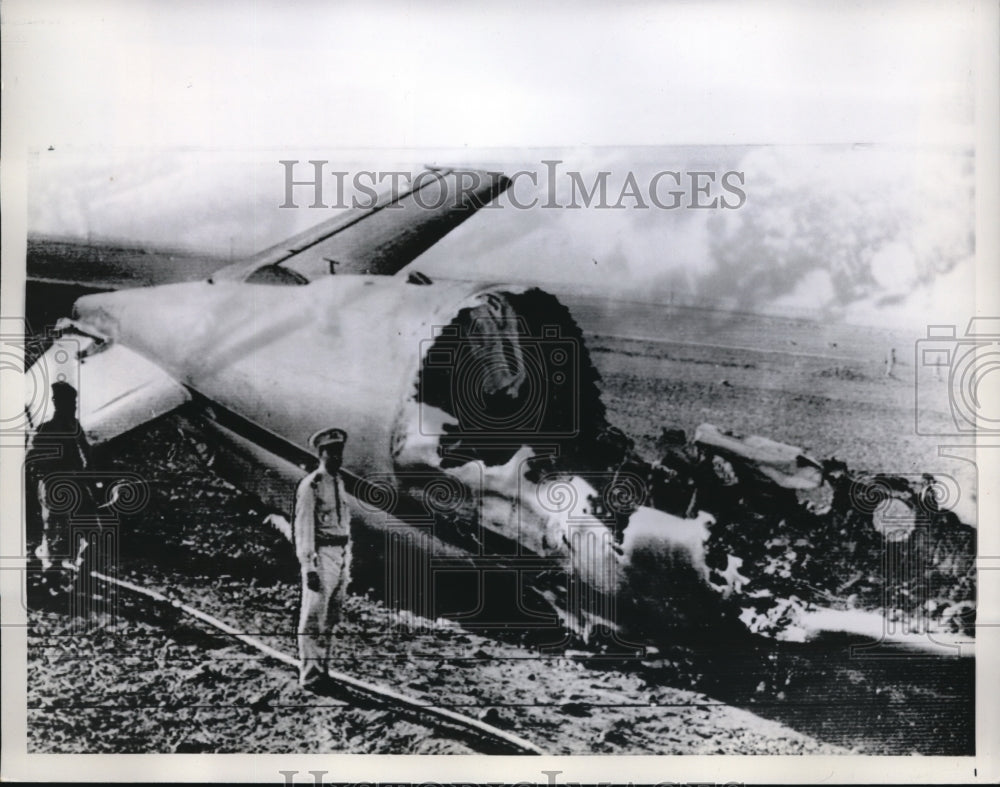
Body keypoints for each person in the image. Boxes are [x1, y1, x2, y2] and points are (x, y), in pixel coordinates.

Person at [294, 427, 353, 691]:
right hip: (322, 555)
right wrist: (309, 567)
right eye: (331, 451)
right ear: (321, 453)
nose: (337, 456)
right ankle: (311, 676)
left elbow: (345, 523)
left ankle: (323, 671)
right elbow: (303, 528)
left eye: (339, 451)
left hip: (340, 554)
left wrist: (348, 557)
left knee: (331, 617)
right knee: (314, 616)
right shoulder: (311, 485)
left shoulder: (338, 482)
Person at [26, 381, 92, 574]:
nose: (74, 406)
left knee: (82, 518)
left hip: (74, 480)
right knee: (55, 523)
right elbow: (33, 459)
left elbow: (85, 451)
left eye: (74, 402)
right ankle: (51, 560)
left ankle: (72, 557)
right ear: (57, 402)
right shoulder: (44, 430)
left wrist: (86, 469)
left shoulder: (73, 425)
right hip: (54, 483)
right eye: (70, 402)